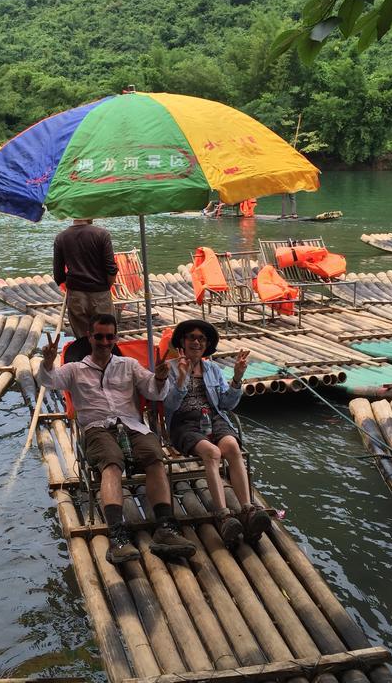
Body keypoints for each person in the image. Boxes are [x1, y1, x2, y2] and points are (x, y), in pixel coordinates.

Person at [39, 313, 197, 564]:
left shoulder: (129, 365)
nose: (104, 342)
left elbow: (154, 393)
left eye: (109, 336)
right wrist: (47, 362)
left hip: (132, 425)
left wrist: (159, 377)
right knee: (111, 462)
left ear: (115, 338)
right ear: (90, 337)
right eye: (99, 336)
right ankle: (117, 536)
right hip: (96, 428)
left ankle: (165, 527)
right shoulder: (75, 369)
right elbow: (49, 380)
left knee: (155, 456)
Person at [165, 319, 271, 549]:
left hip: (213, 417)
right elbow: (169, 406)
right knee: (212, 453)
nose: (196, 341)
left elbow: (226, 405)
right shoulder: (171, 368)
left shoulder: (212, 369)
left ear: (206, 345)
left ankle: (247, 509)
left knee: (232, 447)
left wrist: (236, 378)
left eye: (201, 338)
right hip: (184, 423)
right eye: (191, 337)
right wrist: (182, 378)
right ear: (182, 341)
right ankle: (222, 515)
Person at [53, 219, 118, 338]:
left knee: (83, 340)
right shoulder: (102, 234)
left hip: (76, 295)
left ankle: (85, 356)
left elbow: (58, 274)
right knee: (105, 338)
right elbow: (111, 268)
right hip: (100, 294)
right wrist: (106, 287)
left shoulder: (61, 238)